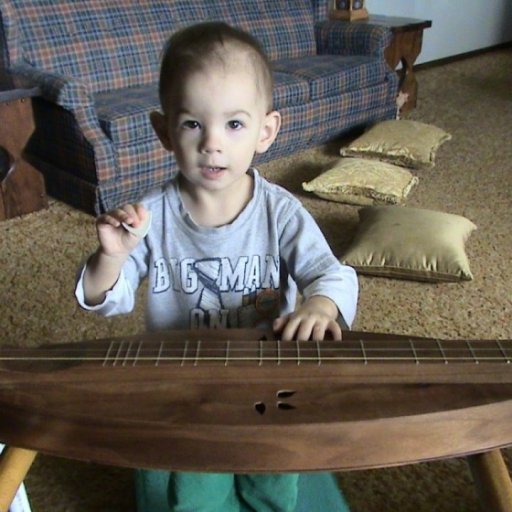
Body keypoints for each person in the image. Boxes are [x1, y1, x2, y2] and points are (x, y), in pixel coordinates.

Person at [75, 21, 358, 512]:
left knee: (277, 482)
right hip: (186, 384)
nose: (212, 143)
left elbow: (331, 272)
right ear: (164, 130)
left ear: (265, 131)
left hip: (267, 377)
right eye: (192, 124)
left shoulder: (280, 211)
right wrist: (111, 256)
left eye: (233, 124)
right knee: (194, 491)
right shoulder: (149, 217)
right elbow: (106, 298)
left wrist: (319, 305)